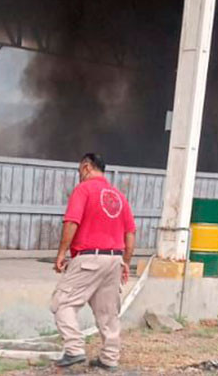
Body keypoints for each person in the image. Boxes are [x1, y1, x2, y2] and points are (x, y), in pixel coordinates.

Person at [51, 153, 136, 371]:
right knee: (108, 312)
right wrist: (125, 262)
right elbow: (130, 234)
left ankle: (74, 349)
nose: (79, 175)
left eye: (80, 170)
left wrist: (61, 253)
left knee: (63, 302)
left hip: (89, 257)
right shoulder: (119, 196)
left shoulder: (84, 189)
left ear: (87, 167)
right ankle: (109, 359)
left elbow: (71, 222)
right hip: (114, 259)